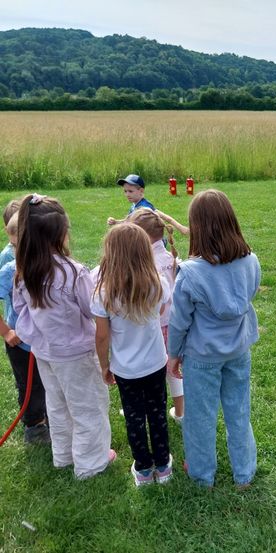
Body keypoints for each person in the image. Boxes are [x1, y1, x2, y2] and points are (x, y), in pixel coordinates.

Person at [13, 194, 114, 479]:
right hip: (77, 354)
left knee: (57, 406)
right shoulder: (73, 273)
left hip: (45, 353)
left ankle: (64, 456)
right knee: (88, 407)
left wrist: (36, 335)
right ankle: (90, 464)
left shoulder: (23, 272)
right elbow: (93, 309)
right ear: (59, 234)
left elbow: (21, 312)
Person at [167, 189, 260, 489]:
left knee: (199, 417)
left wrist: (173, 354)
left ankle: (201, 475)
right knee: (239, 410)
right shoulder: (251, 262)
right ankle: (244, 473)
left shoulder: (189, 273)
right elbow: (250, 295)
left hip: (202, 358)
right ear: (231, 222)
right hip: (238, 351)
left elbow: (179, 321)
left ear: (196, 228)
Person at [92, 223, 173, 486]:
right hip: (155, 363)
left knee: (135, 418)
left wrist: (104, 366)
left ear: (110, 254)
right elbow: (161, 313)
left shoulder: (104, 292)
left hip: (125, 369)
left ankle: (144, 470)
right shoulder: (158, 283)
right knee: (158, 414)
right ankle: (163, 467)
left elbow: (102, 336)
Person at [127, 208, 184, 424]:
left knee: (149, 371)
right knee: (173, 371)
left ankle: (141, 411)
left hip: (152, 325)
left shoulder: (144, 263)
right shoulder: (170, 257)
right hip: (173, 323)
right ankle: (180, 413)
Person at [0, 210, 49, 444]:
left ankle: (51, 417)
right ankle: (34, 426)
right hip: (21, 343)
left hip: (47, 341)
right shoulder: (11, 269)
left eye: (20, 246)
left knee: (50, 382)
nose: (15, 252)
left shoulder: (49, 266)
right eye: (12, 246)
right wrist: (7, 332)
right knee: (30, 386)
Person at [107, 173, 190, 235]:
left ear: (141, 191)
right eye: (125, 191)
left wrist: (181, 228)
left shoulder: (144, 208)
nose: (127, 194)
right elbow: (128, 221)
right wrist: (116, 222)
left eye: (130, 191)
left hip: (152, 242)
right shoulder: (135, 205)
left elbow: (163, 217)